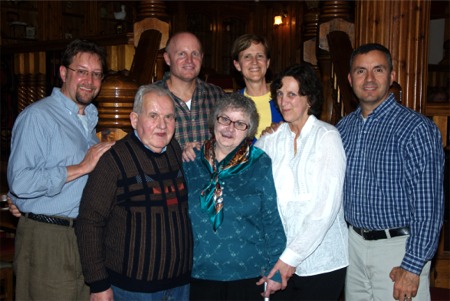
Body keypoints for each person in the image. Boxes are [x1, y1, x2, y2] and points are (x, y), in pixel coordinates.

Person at [7, 39, 115, 301]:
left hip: (85, 238)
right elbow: (20, 182)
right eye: (81, 71)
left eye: (96, 74)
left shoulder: (89, 121)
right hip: (49, 239)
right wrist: (81, 167)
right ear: (64, 73)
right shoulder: (38, 116)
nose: (89, 80)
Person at [336, 43, 445, 301]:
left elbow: (428, 205)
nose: (370, 79)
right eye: (361, 71)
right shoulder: (342, 128)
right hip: (353, 246)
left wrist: (413, 265)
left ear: (392, 76)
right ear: (351, 79)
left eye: (378, 70)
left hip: (398, 248)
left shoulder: (416, 129)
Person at [75, 84, 192, 301]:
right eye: (153, 116)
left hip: (180, 286)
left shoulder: (177, 152)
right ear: (134, 119)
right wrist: (98, 283)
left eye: (169, 117)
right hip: (132, 289)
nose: (162, 125)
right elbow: (89, 222)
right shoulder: (114, 161)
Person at [255, 63, 348, 300]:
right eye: (280, 94)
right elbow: (243, 172)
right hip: (279, 257)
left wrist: (290, 259)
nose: (284, 101)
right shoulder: (271, 138)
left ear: (309, 99)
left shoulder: (327, 137)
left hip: (321, 262)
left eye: (292, 94)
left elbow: (325, 209)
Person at [183, 93, 286, 300]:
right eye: (225, 119)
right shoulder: (190, 161)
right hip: (197, 273)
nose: (230, 128)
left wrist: (275, 269)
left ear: (250, 131)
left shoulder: (260, 162)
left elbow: (271, 219)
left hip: (248, 275)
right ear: (214, 120)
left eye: (240, 123)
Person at [154, 31, 225, 149]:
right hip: (168, 168)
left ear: (201, 58)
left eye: (195, 54)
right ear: (167, 58)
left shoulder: (217, 96)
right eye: (182, 54)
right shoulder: (151, 96)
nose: (189, 60)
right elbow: (139, 141)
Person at [231, 34, 283, 138]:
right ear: (237, 65)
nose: (254, 62)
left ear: (267, 63)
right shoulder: (232, 104)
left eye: (259, 56)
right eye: (247, 56)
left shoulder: (284, 97)